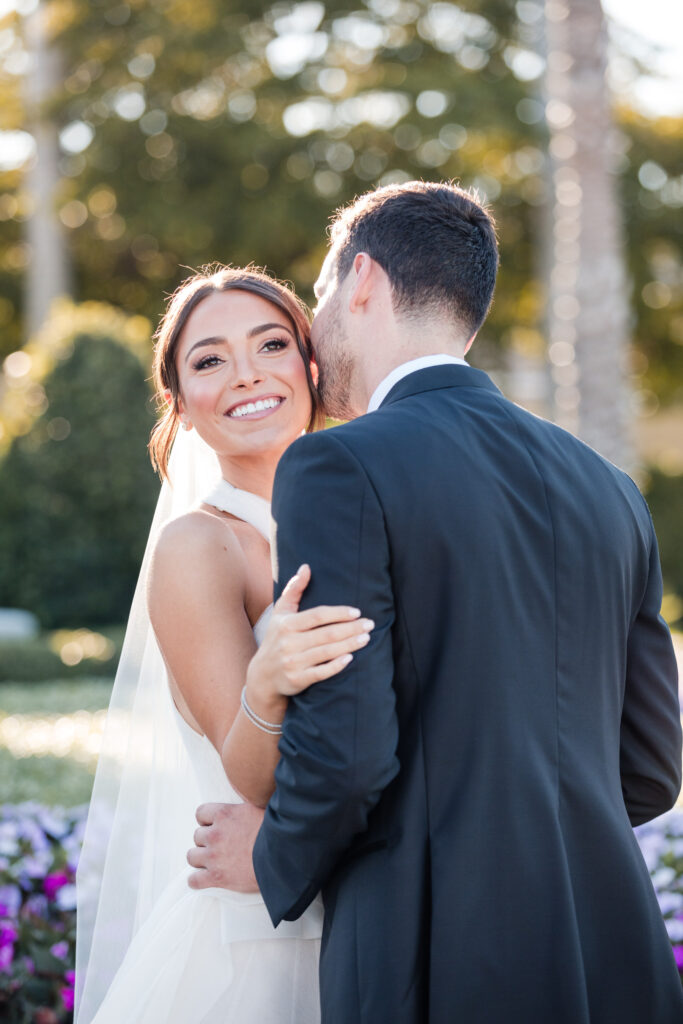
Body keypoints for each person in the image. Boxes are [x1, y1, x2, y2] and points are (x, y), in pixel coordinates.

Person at [188, 181, 683, 1023]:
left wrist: (273, 854)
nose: (313, 329)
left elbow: (346, 753)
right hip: (613, 952)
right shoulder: (608, 487)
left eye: (317, 295)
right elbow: (648, 768)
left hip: (433, 952)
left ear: (365, 282)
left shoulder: (339, 467)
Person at [75, 266, 375, 1023]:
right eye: (209, 360)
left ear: (311, 366)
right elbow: (257, 780)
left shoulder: (375, 520)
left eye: (271, 344)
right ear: (179, 403)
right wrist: (268, 677)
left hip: (375, 923)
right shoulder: (200, 547)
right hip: (259, 951)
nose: (246, 374)